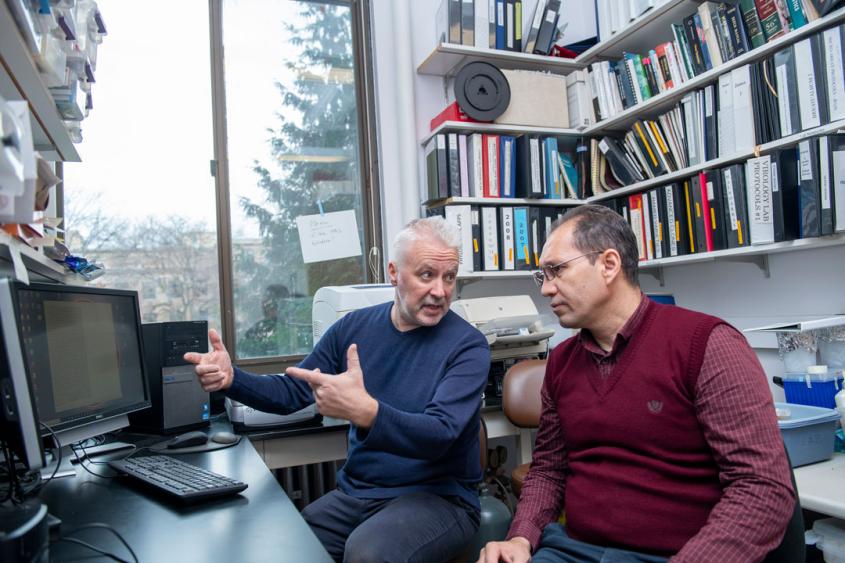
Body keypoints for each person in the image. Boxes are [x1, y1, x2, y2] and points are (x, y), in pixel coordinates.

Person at [478, 204, 794, 563]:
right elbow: (549, 469)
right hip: (573, 549)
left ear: (609, 265)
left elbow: (761, 489)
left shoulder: (708, 344)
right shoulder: (561, 362)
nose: (546, 289)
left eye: (557, 271)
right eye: (543, 276)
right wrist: (520, 538)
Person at [185, 216, 490, 563]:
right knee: (285, 548)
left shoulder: (468, 346)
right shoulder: (354, 327)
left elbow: (441, 432)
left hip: (439, 498)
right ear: (393, 273)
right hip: (358, 494)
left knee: (368, 555)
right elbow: (292, 392)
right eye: (426, 275)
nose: (440, 290)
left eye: (449, 277)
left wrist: (367, 412)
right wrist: (232, 380)